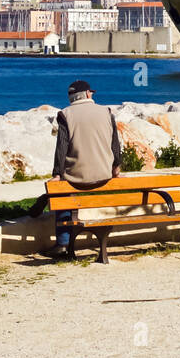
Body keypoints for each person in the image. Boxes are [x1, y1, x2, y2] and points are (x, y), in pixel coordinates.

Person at [46, 79, 122, 258]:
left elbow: (62, 148)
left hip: (76, 177)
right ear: (88, 94)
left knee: (62, 192)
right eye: (92, 93)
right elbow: (115, 145)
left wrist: (57, 174)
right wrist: (115, 169)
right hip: (104, 175)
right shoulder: (106, 112)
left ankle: (63, 243)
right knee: (64, 189)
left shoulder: (65, 114)